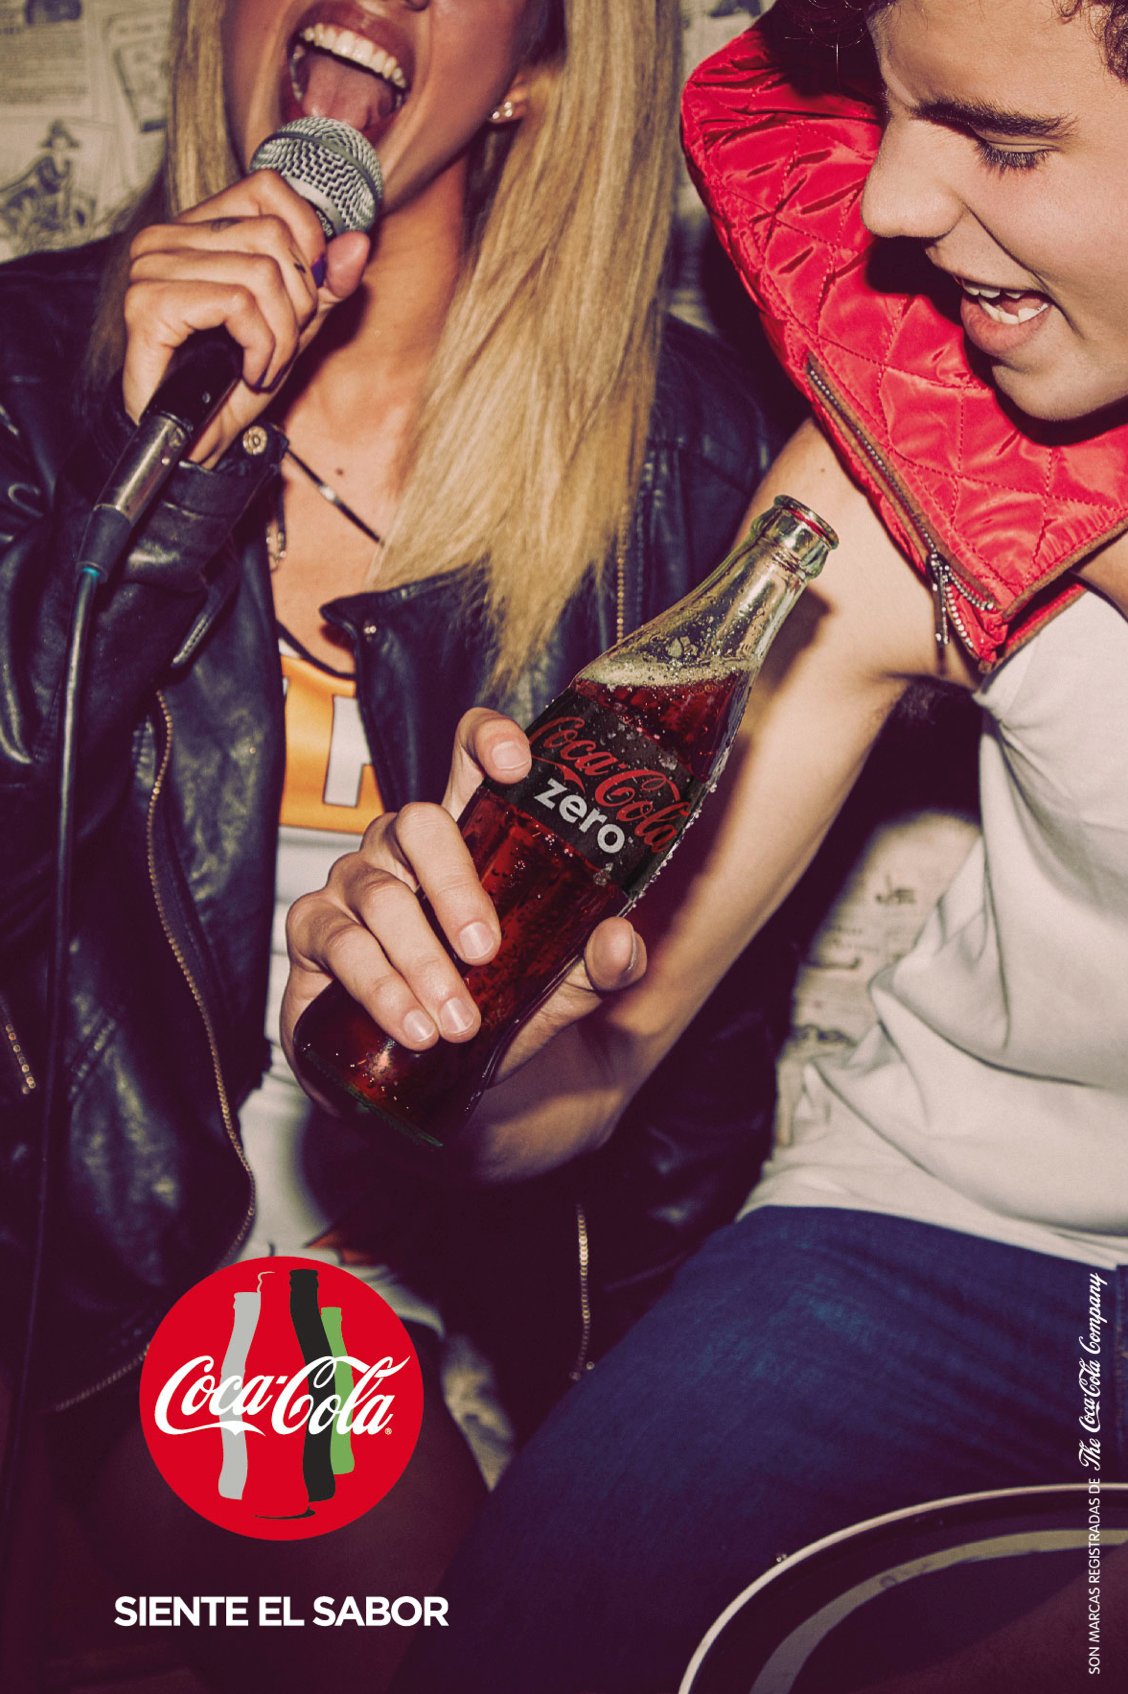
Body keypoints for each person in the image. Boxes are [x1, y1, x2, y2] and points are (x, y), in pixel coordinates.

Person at [265, 0, 1128, 1689]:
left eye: (1004, 141)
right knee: (536, 1639)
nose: (888, 204)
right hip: (954, 1228)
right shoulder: (910, 451)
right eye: (896, 115)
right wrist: (457, 1040)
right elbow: (585, 1086)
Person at [0, 0, 789, 1687]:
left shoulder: (690, 452)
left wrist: (640, 1405)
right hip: (141, 1263)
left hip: (496, 1264)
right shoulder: (21, 370)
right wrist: (148, 481)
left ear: (543, 70)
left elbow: (698, 1060)